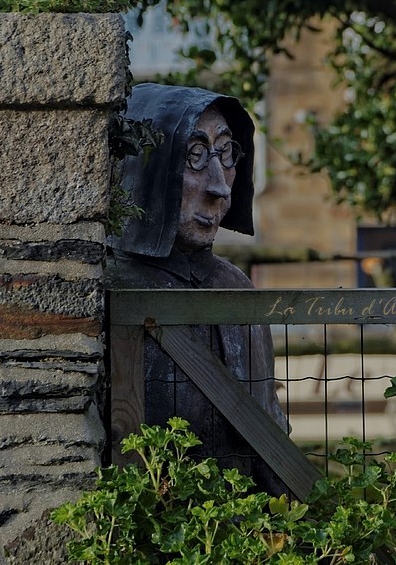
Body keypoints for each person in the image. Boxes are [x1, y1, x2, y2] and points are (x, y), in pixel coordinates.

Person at [107, 82, 287, 490]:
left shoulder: (235, 288)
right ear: (148, 167)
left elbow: (270, 431)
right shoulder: (105, 283)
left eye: (227, 154)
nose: (219, 186)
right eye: (195, 155)